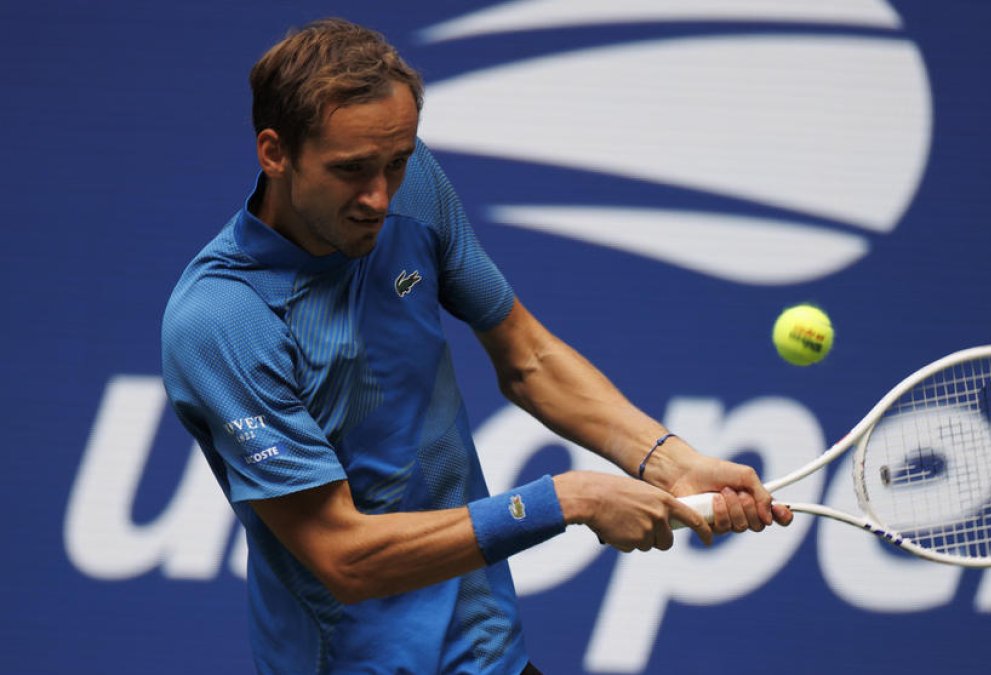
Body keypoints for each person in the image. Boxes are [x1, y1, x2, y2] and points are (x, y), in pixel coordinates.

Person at [162, 17, 792, 675]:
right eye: (351, 170)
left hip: (488, 653)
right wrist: (566, 499)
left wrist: (668, 459)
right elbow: (342, 556)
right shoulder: (223, 319)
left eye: (397, 161)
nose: (379, 196)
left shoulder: (409, 183)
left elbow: (528, 357)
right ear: (274, 153)